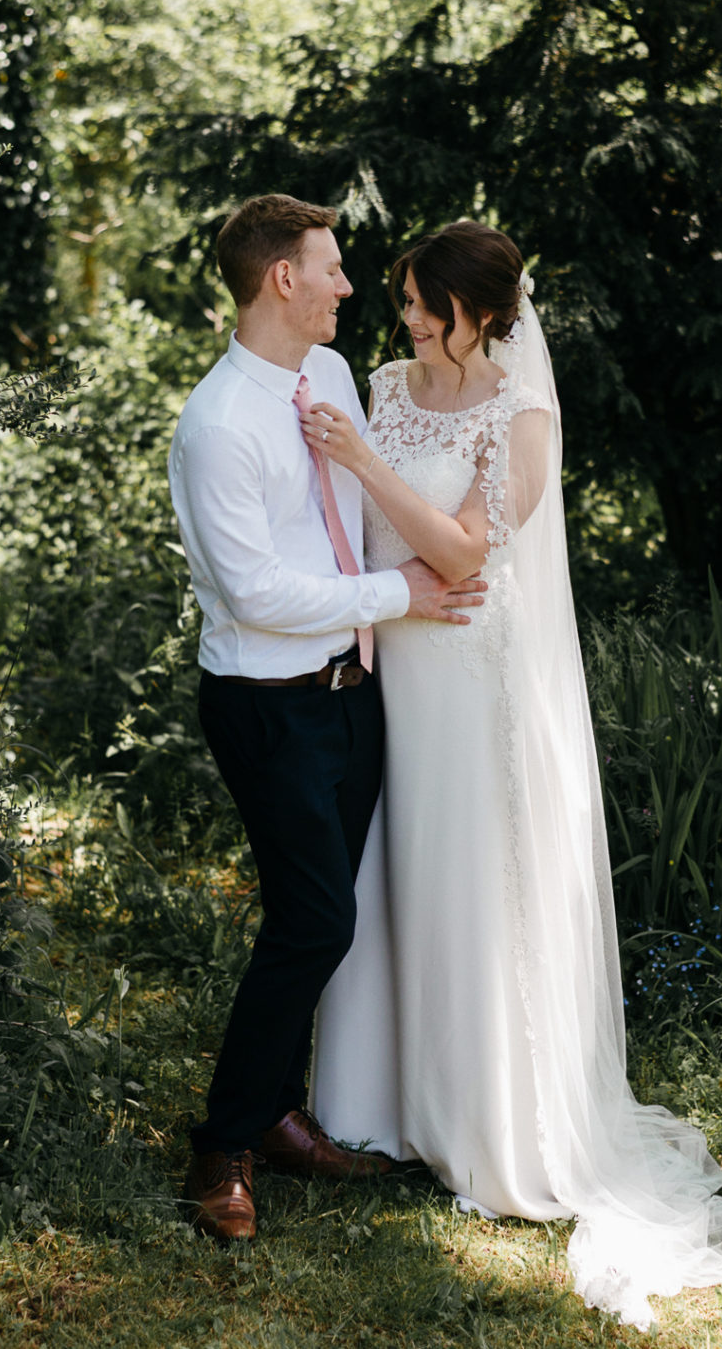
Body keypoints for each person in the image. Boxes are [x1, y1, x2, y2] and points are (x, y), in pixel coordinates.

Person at [303, 220, 722, 1330]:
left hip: (468, 683)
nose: (407, 319)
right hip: (384, 669)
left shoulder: (524, 413)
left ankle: (483, 1121)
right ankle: (374, 1106)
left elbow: (467, 551)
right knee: (383, 873)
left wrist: (368, 464)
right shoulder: (378, 381)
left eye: (426, 304)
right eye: (404, 300)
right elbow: (355, 535)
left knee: (463, 880)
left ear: (485, 313)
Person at [167, 194, 486, 1243]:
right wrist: (403, 597)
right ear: (283, 280)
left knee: (321, 915)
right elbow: (257, 592)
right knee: (316, 920)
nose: (351, 287)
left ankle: (278, 1109)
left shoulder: (333, 378)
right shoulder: (215, 424)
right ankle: (224, 1146)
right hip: (267, 705)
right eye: (334, 268)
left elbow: (348, 522)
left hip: (351, 697)